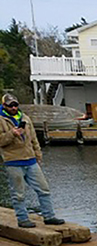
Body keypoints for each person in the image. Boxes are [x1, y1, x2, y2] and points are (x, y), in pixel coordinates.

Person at [0, 93, 64, 228]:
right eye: (10, 105)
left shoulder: (25, 118)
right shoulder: (1, 120)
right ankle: (22, 219)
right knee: (18, 194)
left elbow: (34, 139)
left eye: (15, 104)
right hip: (13, 161)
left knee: (44, 189)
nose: (13, 107)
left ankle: (49, 216)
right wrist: (12, 134)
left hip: (31, 160)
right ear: (4, 106)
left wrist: (38, 155)